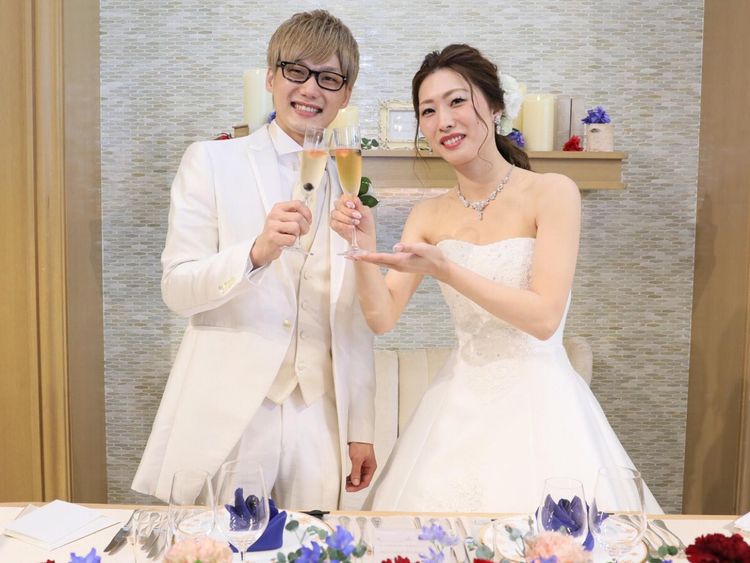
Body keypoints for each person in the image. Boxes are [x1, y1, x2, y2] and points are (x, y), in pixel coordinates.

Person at [331, 44, 662, 513]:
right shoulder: (427, 215)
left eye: (456, 101)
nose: (443, 120)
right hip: (457, 407)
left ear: (494, 106)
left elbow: (544, 318)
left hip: (542, 407)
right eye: (428, 111)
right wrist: (362, 247)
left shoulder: (552, 193)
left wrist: (447, 269)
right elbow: (381, 317)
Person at [132, 10, 376, 510]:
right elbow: (177, 290)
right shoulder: (210, 161)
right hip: (232, 412)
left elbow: (352, 316)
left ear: (346, 94)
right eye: (296, 71)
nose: (310, 89)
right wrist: (254, 253)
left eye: (329, 78)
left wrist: (361, 427)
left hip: (318, 417)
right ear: (270, 76)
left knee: (315, 540)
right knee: (225, 543)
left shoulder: (349, 182)